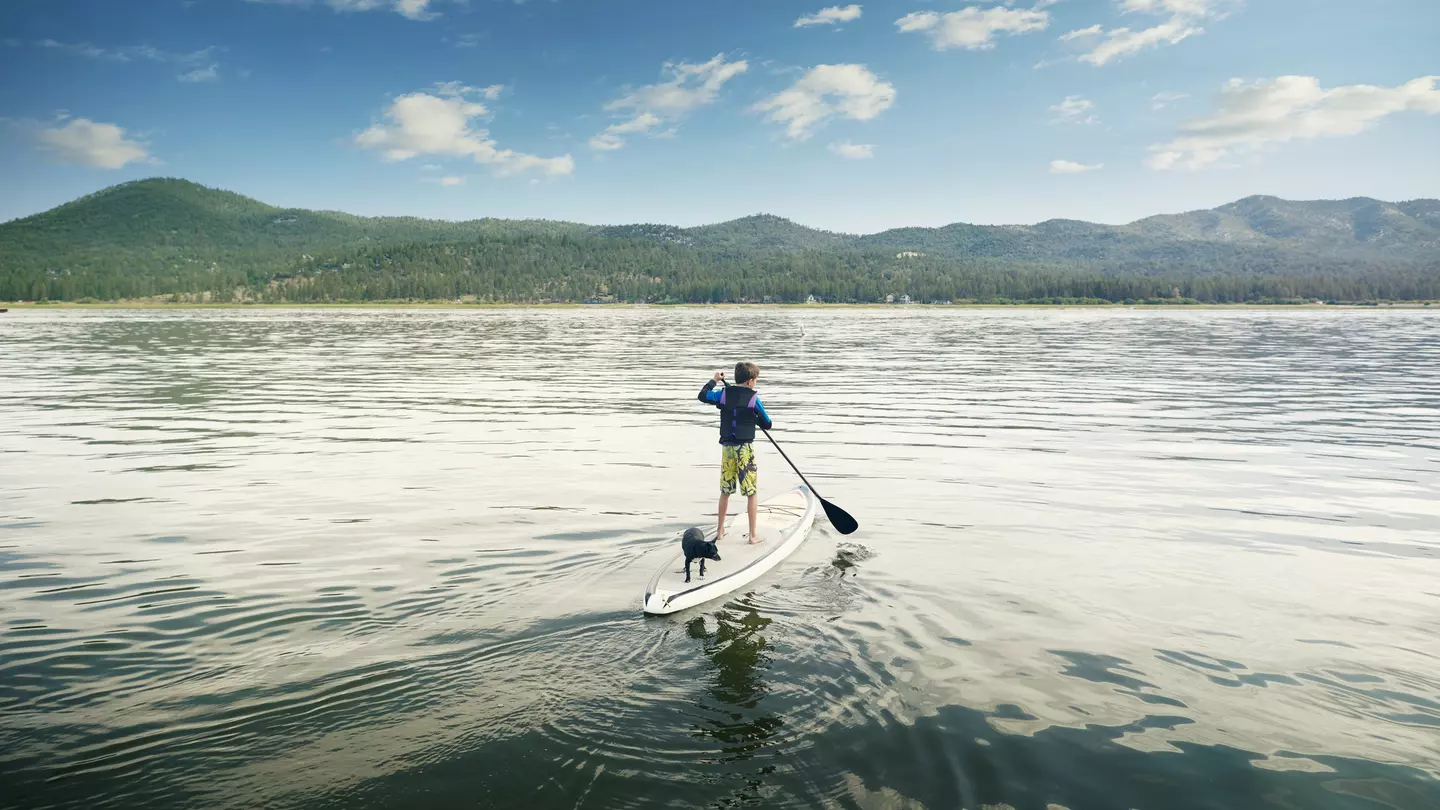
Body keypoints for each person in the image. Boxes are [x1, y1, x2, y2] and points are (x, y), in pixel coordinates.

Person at [698, 362, 773, 544]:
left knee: (725, 491)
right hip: (744, 450)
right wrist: (754, 417)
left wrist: (714, 380)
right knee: (751, 492)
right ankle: (753, 536)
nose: (755, 384)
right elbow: (767, 423)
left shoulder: (723, 394)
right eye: (755, 381)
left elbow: (703, 396)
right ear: (749, 382)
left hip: (727, 449)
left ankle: (720, 530)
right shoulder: (754, 399)